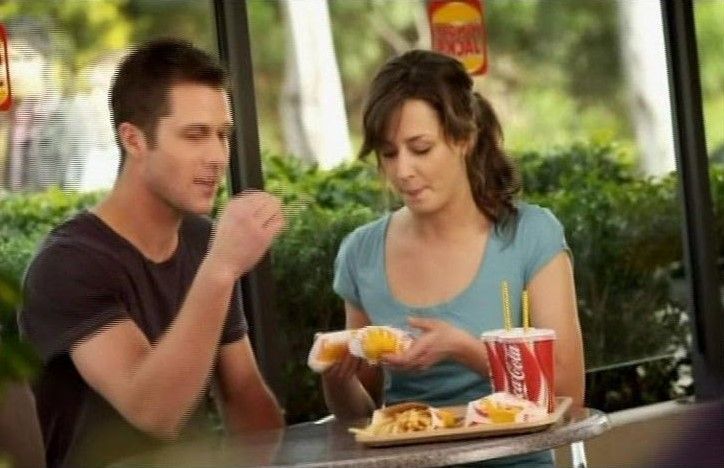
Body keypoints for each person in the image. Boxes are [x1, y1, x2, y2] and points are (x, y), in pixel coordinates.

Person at [18, 38, 285, 467]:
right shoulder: (68, 264)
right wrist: (221, 268)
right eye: (195, 135)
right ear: (134, 140)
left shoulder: (202, 240)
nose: (217, 157)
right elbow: (154, 412)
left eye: (222, 135)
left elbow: (244, 397)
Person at [323, 50, 584, 467]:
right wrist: (337, 380)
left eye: (420, 148)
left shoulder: (530, 236)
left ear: (464, 137)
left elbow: (568, 391)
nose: (402, 171)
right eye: (389, 153)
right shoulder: (361, 253)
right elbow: (364, 415)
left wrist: (465, 350)